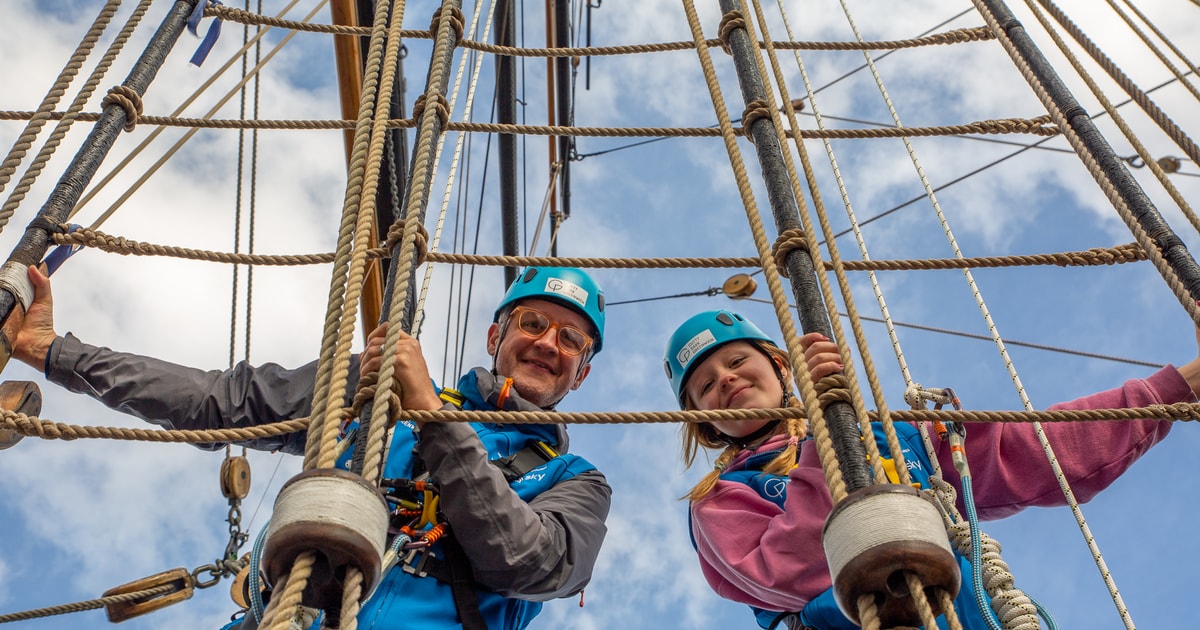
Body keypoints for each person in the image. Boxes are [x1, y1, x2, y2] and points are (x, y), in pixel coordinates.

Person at [12, 264, 612, 630]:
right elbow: (223, 404)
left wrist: (430, 414)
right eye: (532, 323)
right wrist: (52, 353)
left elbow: (530, 564)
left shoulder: (576, 480)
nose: (548, 344)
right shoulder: (382, 396)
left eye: (571, 340)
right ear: (497, 334)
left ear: (580, 371)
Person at [662, 309, 1200, 630]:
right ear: (707, 423)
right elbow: (797, 570)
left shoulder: (893, 437)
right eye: (705, 385)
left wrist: (1177, 388)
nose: (725, 380)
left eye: (736, 362)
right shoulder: (720, 500)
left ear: (782, 366)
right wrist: (829, 432)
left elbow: (1036, 448)